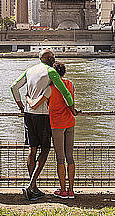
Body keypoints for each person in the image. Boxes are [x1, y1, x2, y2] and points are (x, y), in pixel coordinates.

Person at [10, 49, 75, 200]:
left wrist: (21, 105)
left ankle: (34, 188)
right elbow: (65, 92)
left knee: (32, 150)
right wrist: (72, 109)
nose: (54, 58)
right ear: (50, 59)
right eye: (52, 57)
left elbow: (13, 87)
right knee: (45, 150)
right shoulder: (51, 72)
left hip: (28, 114)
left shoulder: (29, 70)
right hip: (43, 115)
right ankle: (30, 186)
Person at [26, 61, 77, 199]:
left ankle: (62, 190)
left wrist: (28, 98)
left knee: (60, 158)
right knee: (70, 157)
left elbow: (35, 105)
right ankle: (71, 190)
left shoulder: (50, 88)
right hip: (70, 122)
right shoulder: (70, 84)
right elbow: (70, 100)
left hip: (57, 125)